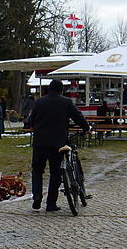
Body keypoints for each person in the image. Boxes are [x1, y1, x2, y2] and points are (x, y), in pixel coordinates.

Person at [29, 79, 90, 212]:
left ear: (49, 89)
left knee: (37, 170)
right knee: (55, 173)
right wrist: (86, 127)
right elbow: (77, 116)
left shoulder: (39, 102)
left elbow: (31, 120)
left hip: (39, 143)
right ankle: (51, 203)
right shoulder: (66, 102)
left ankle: (37, 196)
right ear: (62, 90)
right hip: (57, 144)